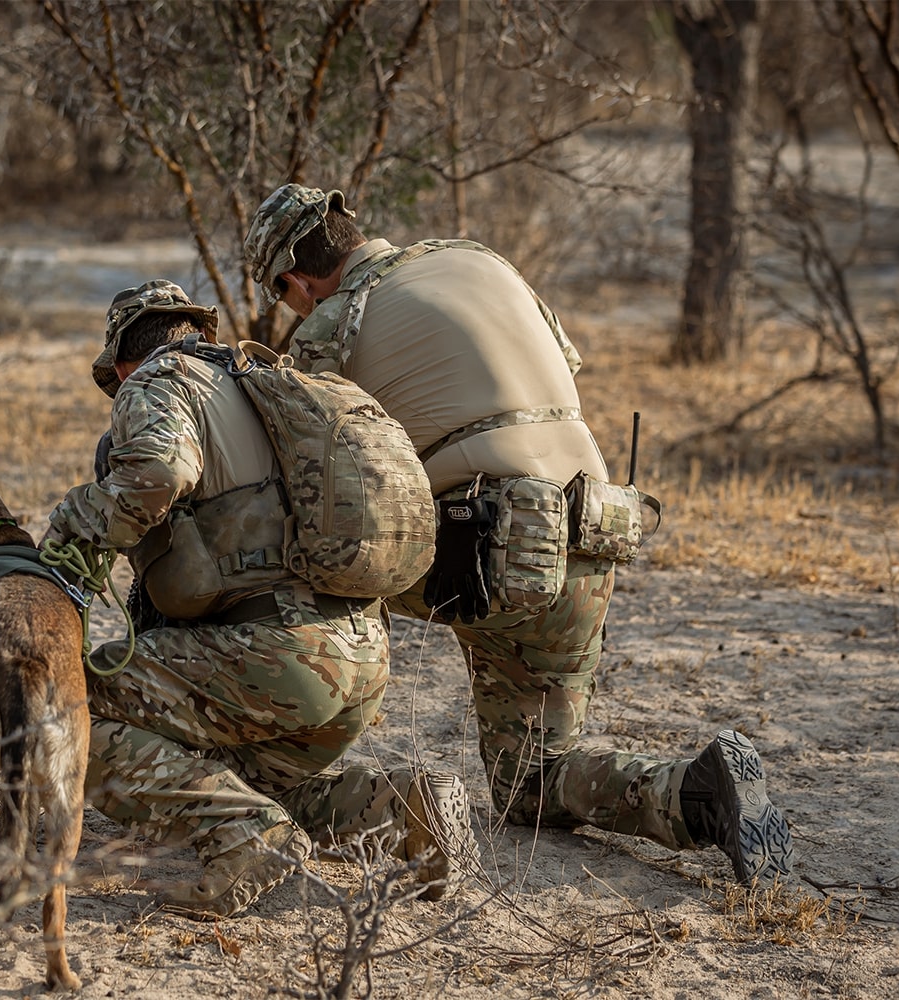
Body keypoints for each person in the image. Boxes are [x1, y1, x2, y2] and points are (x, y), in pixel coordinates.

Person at [241, 184, 794, 884]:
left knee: (311, 556)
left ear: (294, 279)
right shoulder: (480, 260)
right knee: (532, 782)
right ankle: (695, 791)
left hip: (486, 557)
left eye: (283, 294)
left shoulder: (329, 327)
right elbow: (566, 365)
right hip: (594, 536)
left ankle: (268, 765)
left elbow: (309, 476)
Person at [46, 280, 476, 918]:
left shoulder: (160, 381)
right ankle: (408, 808)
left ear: (125, 361)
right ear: (197, 330)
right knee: (236, 777)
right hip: (358, 656)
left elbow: (160, 473)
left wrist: (71, 528)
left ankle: (247, 838)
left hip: (274, 654)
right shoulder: (265, 386)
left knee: (59, 710)